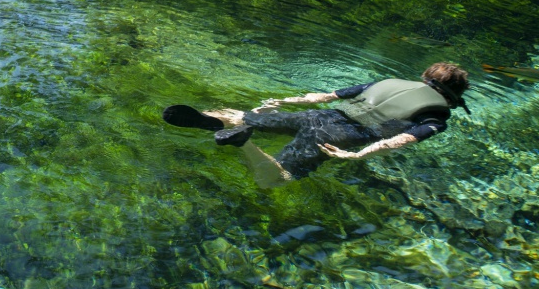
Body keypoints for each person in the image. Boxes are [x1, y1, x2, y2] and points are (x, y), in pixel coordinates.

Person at [162, 62, 470, 188]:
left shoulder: (387, 82)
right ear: (455, 94)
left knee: (241, 114)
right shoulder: (438, 115)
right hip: (340, 135)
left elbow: (324, 96)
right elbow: (401, 140)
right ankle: (245, 143)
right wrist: (357, 156)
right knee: (276, 179)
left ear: (425, 76)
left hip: (319, 116)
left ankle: (221, 120)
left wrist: (282, 102)